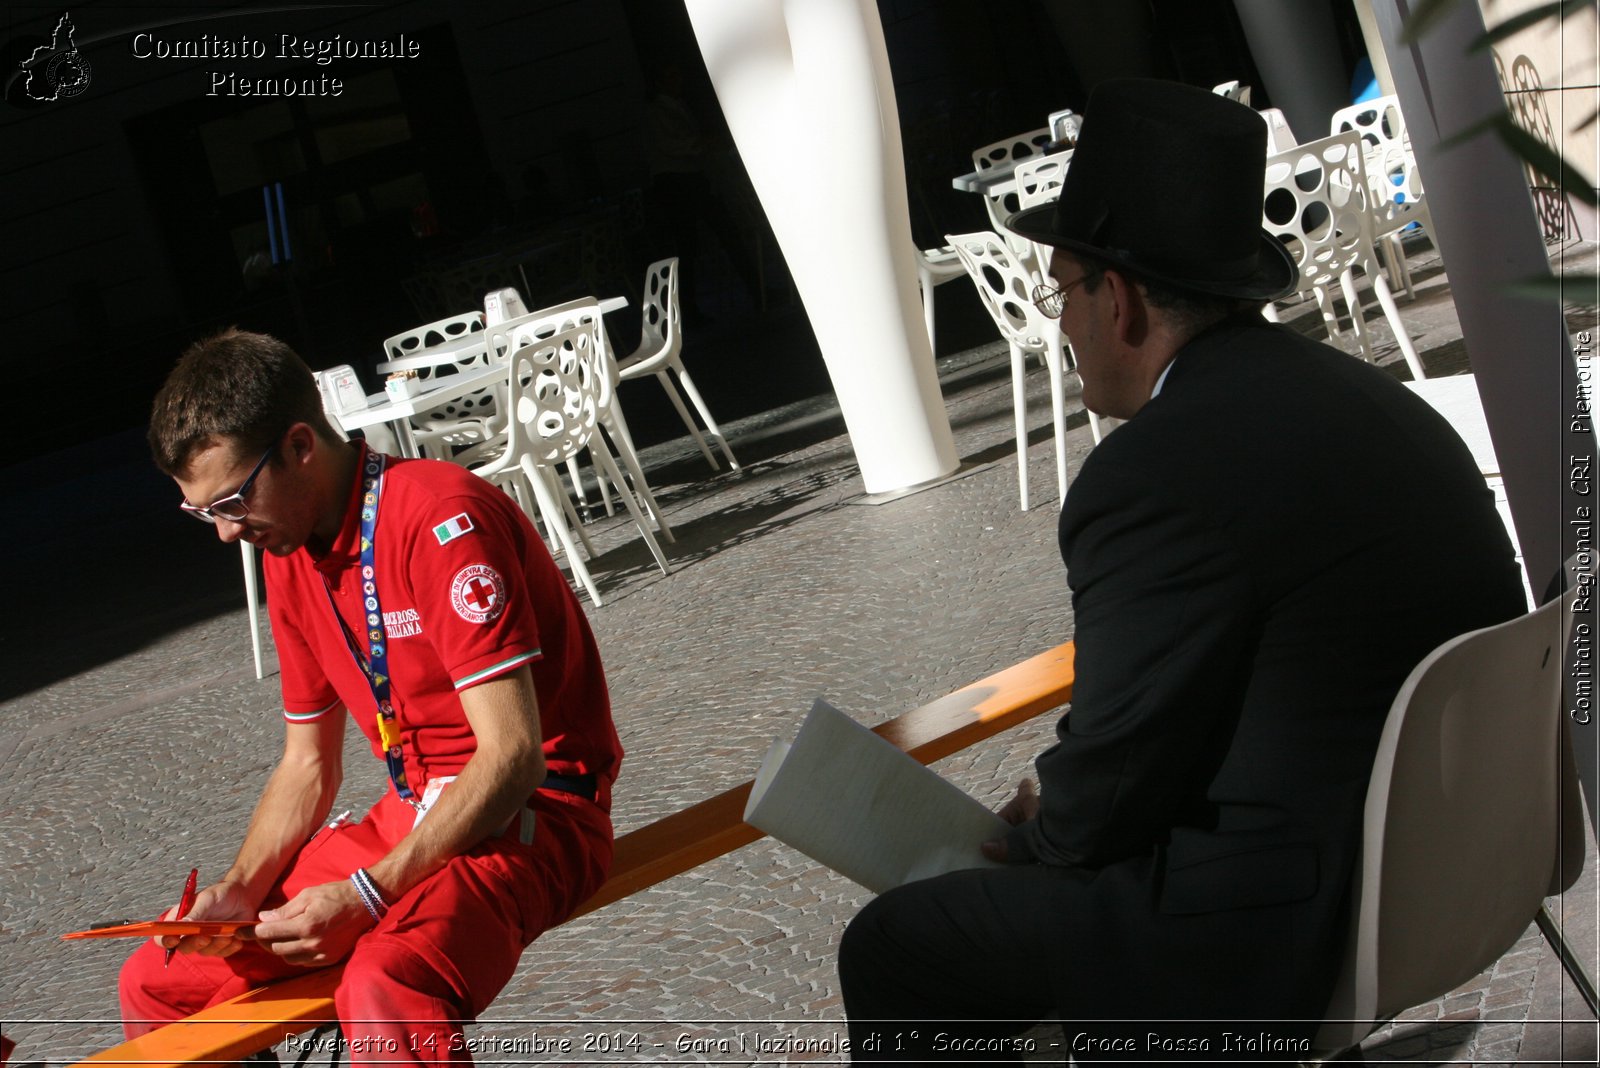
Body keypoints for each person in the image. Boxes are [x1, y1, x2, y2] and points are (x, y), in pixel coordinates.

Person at [837, 79, 1528, 1062]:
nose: (1064, 328)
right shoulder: (1366, 397)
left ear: (1115, 299)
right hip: (1467, 856)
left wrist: (1041, 825)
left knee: (900, 943)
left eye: (1063, 292)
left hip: (1280, 928)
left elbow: (1110, 791)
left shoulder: (1150, 476)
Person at [122, 330, 623, 1063]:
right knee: (157, 980)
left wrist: (369, 893)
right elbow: (306, 766)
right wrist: (237, 889)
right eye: (203, 514)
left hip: (540, 814)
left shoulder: (439, 518)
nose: (227, 533)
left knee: (386, 981)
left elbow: (514, 757)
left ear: (300, 447)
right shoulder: (290, 551)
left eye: (231, 500)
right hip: (416, 815)